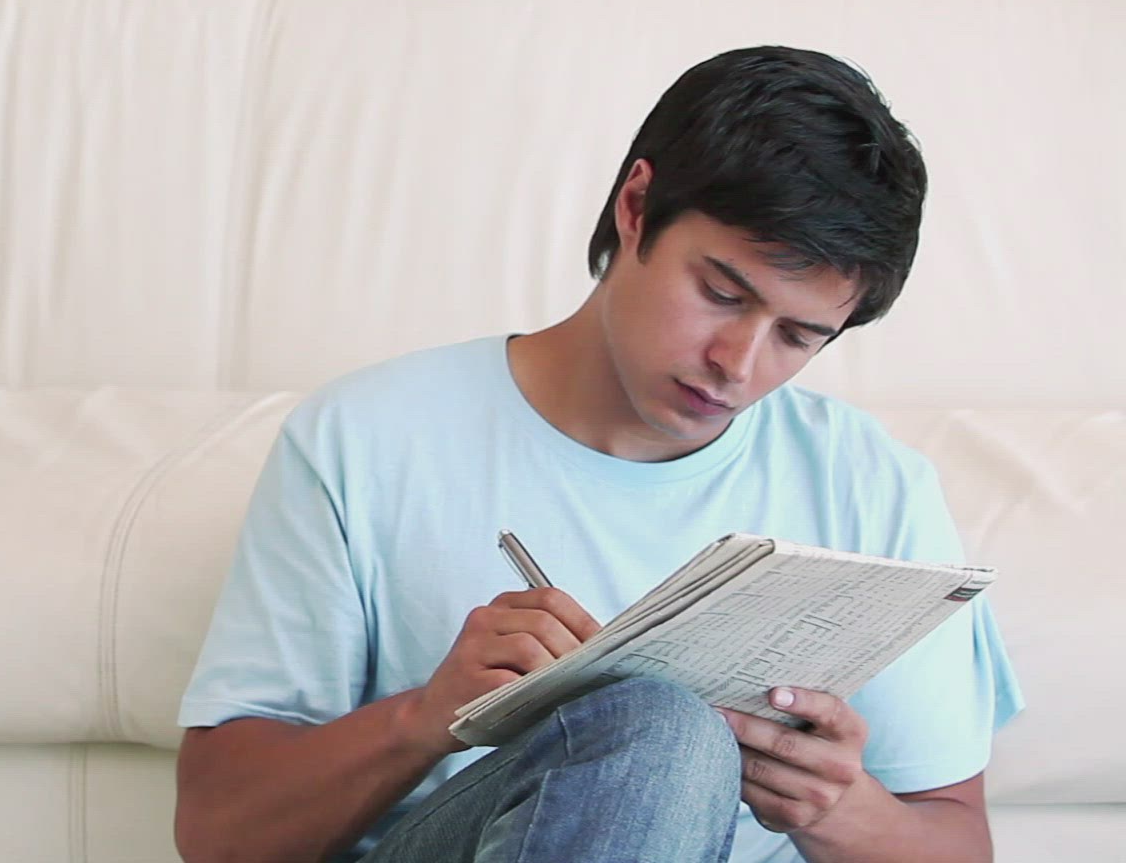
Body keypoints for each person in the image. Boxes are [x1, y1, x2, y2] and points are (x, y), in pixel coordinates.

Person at [173, 47, 1023, 863]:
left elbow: (957, 844)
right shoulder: (364, 440)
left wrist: (835, 807)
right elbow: (218, 836)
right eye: (721, 293)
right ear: (636, 206)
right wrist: (428, 716)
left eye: (798, 337)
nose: (738, 363)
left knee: (666, 731)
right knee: (659, 728)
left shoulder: (873, 488)